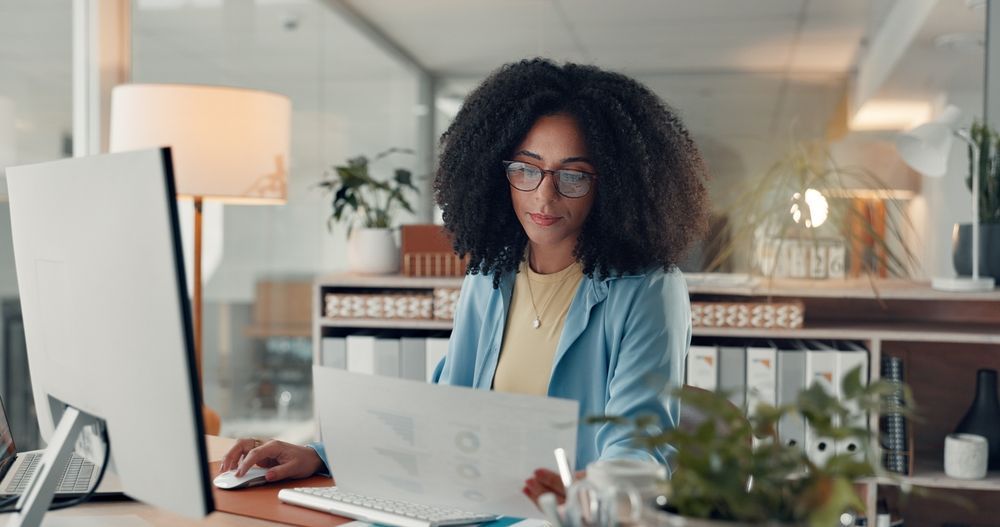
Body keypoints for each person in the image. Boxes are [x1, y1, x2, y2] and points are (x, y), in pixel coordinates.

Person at [220, 58, 709, 506]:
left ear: (615, 185)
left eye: (574, 176)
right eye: (526, 169)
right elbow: (442, 412)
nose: (544, 197)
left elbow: (639, 452)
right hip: (470, 507)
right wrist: (318, 452)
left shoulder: (648, 290)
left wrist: (582, 490)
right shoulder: (490, 274)